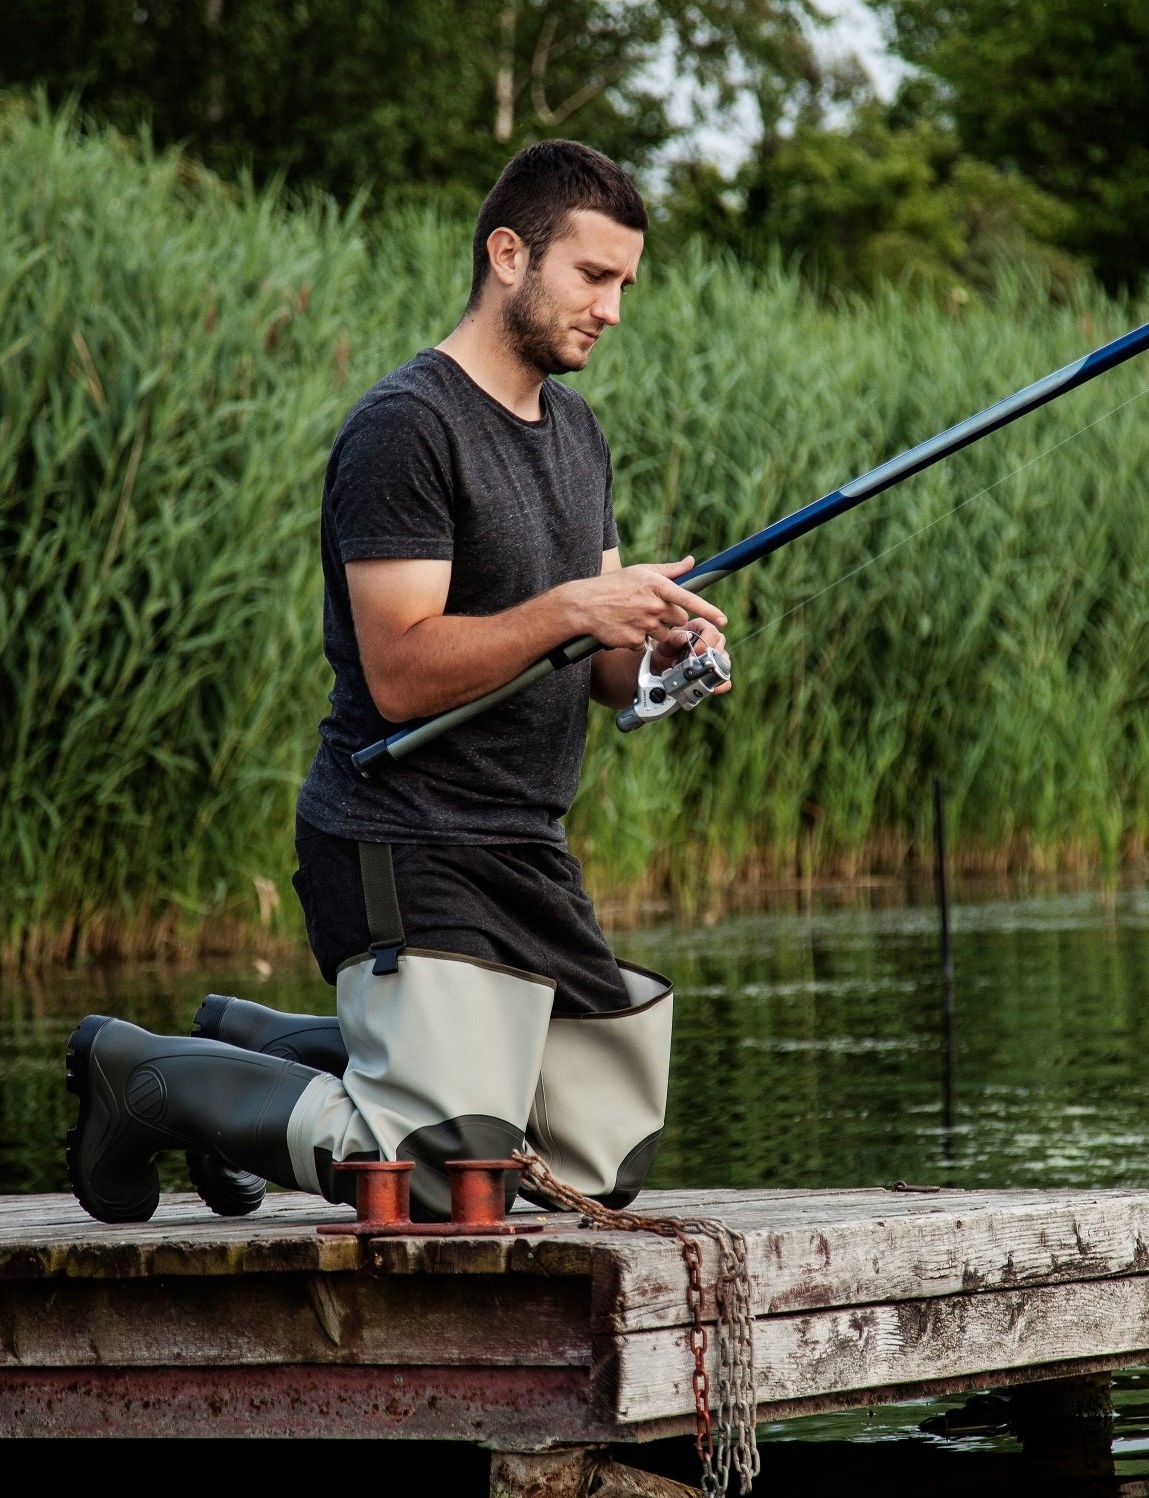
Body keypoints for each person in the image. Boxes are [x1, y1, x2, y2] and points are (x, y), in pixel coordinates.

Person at [65, 140, 729, 1224]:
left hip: (522, 845)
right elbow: (403, 672)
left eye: (625, 284)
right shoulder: (407, 428)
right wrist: (573, 606)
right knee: (441, 1171)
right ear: (508, 255)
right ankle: (144, 1079)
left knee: (595, 1160)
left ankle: (276, 1047)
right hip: (402, 837)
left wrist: (656, 655)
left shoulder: (577, 432)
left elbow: (601, 667)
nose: (612, 309)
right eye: (593, 276)